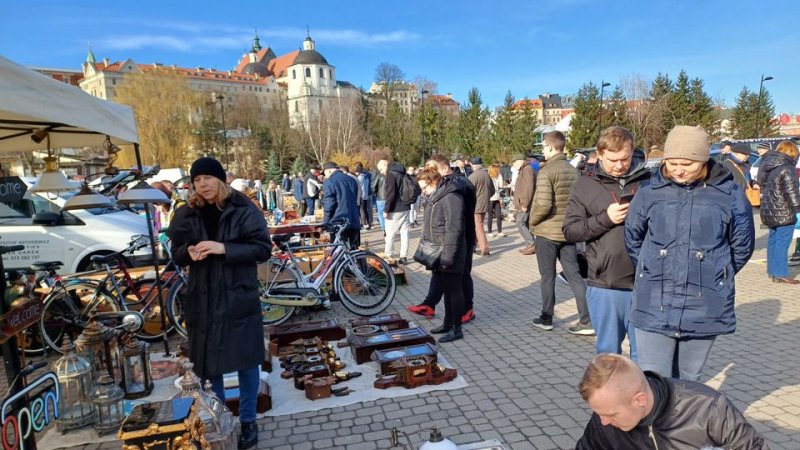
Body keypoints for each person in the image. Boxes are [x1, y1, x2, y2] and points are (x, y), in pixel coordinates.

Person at [625, 125, 755, 381]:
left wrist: (717, 271)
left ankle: (685, 421)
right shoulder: (650, 192)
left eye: (687, 163)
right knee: (653, 379)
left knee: (689, 379)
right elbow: (633, 237)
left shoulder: (729, 194)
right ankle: (656, 422)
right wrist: (652, 267)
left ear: (704, 159)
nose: (678, 169)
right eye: (671, 162)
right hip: (654, 299)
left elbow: (742, 246)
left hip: (704, 301)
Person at [167, 157, 270, 450]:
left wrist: (224, 248)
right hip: (203, 299)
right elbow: (175, 252)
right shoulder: (187, 212)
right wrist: (189, 252)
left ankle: (248, 421)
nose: (202, 185)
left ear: (220, 180)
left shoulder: (243, 208)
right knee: (209, 366)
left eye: (207, 179)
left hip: (237, 296)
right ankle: (219, 418)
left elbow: (262, 248)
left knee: (246, 362)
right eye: (197, 180)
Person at [563, 126, 651, 359]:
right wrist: (606, 219)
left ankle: (644, 395)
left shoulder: (649, 181)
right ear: (599, 154)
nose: (620, 165)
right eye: (613, 160)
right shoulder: (585, 184)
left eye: (625, 158)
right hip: (606, 284)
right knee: (608, 356)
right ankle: (610, 396)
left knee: (644, 356)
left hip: (648, 283)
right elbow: (570, 231)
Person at [575, 353, 768, 450]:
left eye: (611, 414)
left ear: (639, 400)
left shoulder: (709, 409)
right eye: (599, 413)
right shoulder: (603, 421)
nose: (603, 422)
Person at [530, 131, 593, 335]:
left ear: (549, 147)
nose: (543, 151)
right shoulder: (574, 171)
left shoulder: (546, 172)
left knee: (547, 277)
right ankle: (586, 319)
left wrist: (532, 223)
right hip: (568, 232)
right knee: (574, 276)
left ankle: (546, 317)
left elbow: (542, 204)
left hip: (547, 232)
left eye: (543, 148)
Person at [407, 154, 477, 324]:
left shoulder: (458, 185)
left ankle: (466, 309)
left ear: (444, 168)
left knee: (462, 275)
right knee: (440, 275)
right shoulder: (441, 188)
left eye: (433, 170)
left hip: (462, 237)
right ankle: (431, 305)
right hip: (441, 240)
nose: (431, 174)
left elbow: (459, 220)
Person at [416, 168, 467, 343]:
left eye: (424, 187)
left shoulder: (451, 198)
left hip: (450, 252)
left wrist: (448, 257)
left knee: (454, 291)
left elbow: (454, 229)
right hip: (437, 251)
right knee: (446, 290)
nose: (423, 191)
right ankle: (447, 323)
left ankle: (456, 327)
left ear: (434, 182)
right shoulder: (435, 198)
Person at [757, 140, 800, 284]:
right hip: (784, 211)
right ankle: (781, 273)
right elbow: (791, 192)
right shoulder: (787, 168)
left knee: (773, 242)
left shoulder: (768, 166)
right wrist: (798, 208)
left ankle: (773, 272)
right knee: (782, 243)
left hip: (769, 211)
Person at [321, 161, 361, 249]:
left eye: (325, 173)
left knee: (338, 251)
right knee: (353, 250)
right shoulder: (351, 179)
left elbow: (329, 204)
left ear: (329, 171)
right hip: (353, 218)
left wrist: (326, 222)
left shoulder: (330, 181)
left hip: (339, 221)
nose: (325, 176)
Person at [383, 160, 411, 264]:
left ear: (386, 166)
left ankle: (388, 256)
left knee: (390, 234)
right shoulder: (403, 173)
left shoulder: (390, 174)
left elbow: (390, 194)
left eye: (381, 169)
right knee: (405, 233)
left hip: (395, 209)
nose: (381, 172)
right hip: (406, 207)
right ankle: (404, 257)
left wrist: (386, 210)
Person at [468, 157, 494, 256]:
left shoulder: (472, 177)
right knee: (478, 225)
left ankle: (484, 248)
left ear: (474, 165)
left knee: (478, 226)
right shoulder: (487, 175)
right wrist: (486, 198)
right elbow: (492, 190)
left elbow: (469, 192)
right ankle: (473, 246)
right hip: (485, 203)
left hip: (476, 205)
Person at [512, 154, 537, 255]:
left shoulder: (527, 169)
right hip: (522, 202)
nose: (513, 165)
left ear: (520, 161)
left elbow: (528, 188)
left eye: (514, 162)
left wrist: (524, 203)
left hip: (525, 203)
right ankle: (530, 245)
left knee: (520, 223)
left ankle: (531, 244)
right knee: (525, 223)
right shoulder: (524, 169)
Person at [487, 163, 504, 237]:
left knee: (492, 216)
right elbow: (501, 186)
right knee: (497, 215)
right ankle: (498, 231)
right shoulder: (498, 176)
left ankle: (491, 232)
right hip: (494, 197)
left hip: (491, 198)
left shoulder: (488, 176)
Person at [355, 163, 373, 229]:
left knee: (361, 210)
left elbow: (357, 187)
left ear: (358, 172)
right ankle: (368, 223)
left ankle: (364, 224)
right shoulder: (366, 177)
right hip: (366, 195)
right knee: (366, 210)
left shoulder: (359, 178)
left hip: (361, 196)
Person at [372, 162, 388, 231]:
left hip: (380, 198)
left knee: (381, 214)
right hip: (389, 197)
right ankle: (388, 227)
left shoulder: (379, 176)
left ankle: (383, 228)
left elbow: (373, 187)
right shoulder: (391, 176)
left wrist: (375, 193)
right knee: (388, 213)